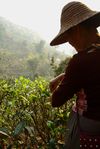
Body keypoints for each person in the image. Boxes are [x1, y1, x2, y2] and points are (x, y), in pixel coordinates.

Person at [49, 1, 100, 149]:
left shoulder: (80, 61)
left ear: (77, 30)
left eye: (68, 36)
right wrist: (65, 75)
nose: (69, 42)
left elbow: (56, 101)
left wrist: (56, 86)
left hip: (90, 123)